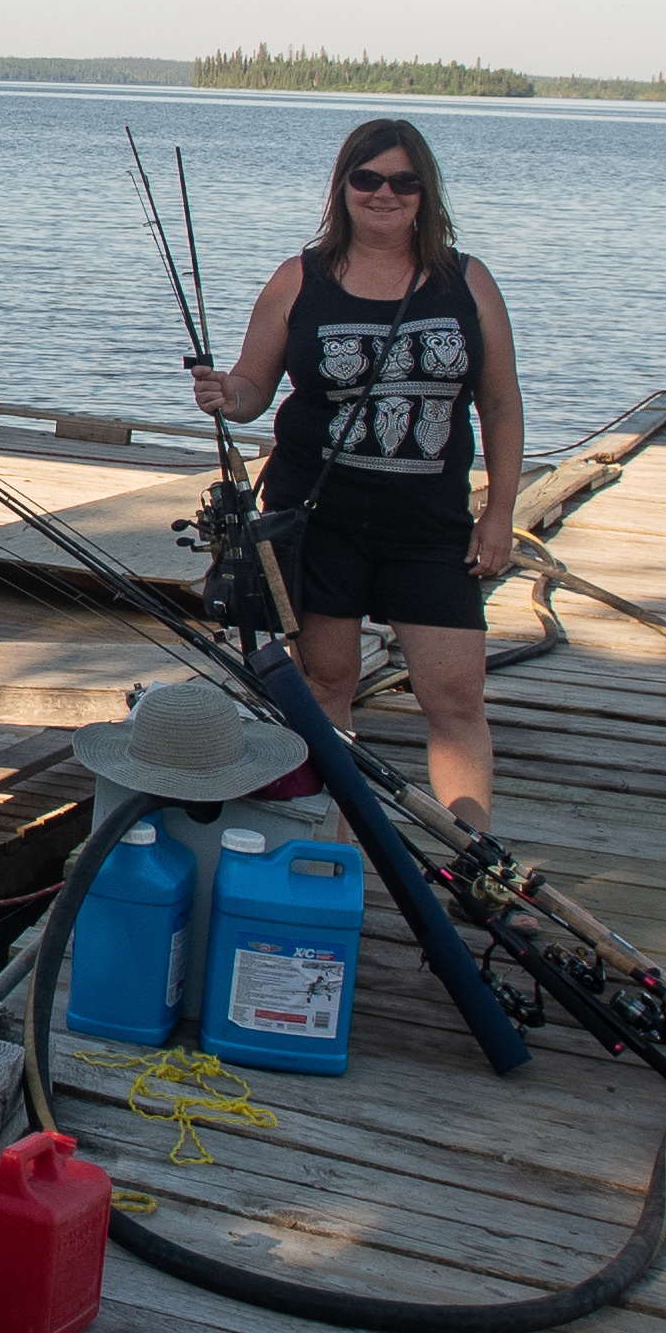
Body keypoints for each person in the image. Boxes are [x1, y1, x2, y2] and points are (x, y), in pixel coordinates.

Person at [185, 117, 523, 831]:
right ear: (343, 187)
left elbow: (500, 401)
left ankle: (472, 855)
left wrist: (498, 518)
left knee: (455, 698)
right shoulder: (298, 278)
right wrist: (225, 393)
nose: (385, 194)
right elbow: (250, 390)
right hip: (319, 521)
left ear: (426, 193)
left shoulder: (466, 281)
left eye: (404, 181)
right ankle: (328, 847)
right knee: (327, 683)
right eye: (367, 178)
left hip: (431, 526)